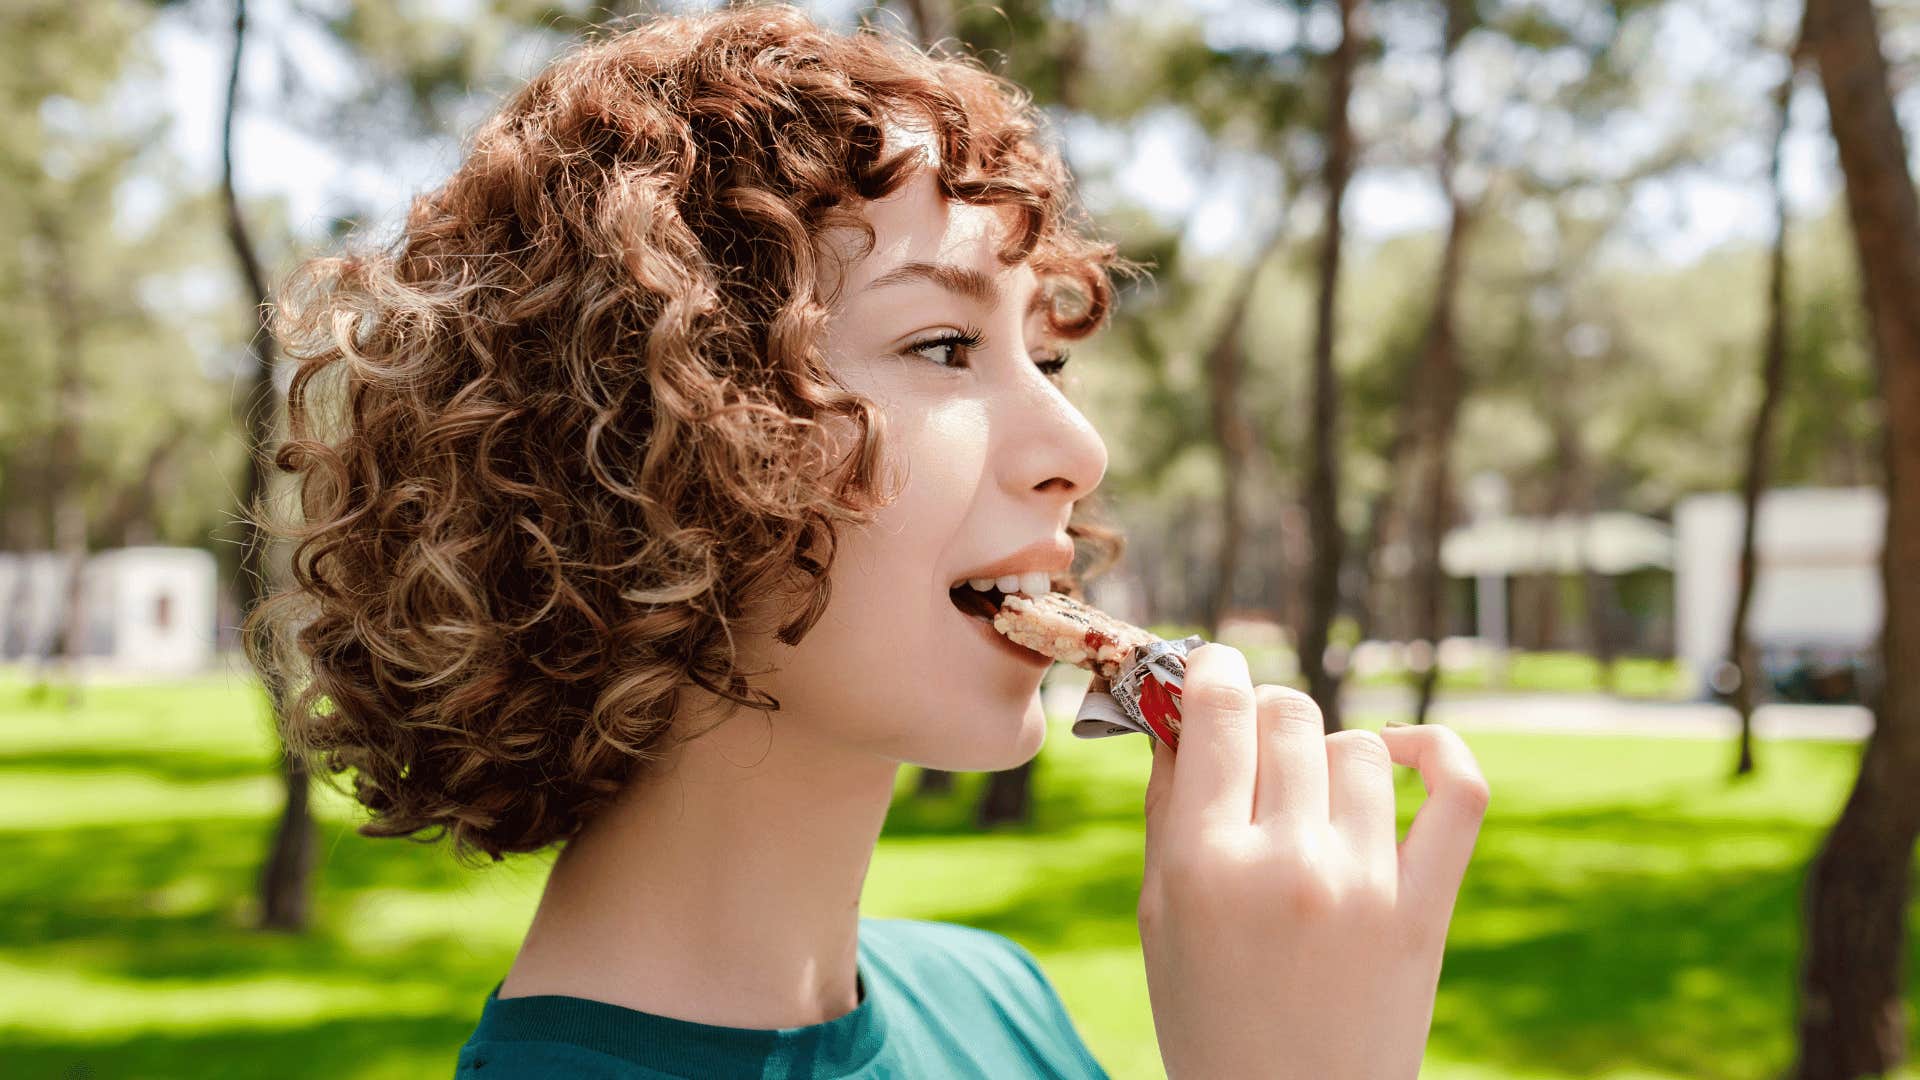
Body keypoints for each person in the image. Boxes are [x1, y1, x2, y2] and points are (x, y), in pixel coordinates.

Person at [249, 5, 1491, 1078]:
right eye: (944, 347)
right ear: (643, 446)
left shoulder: (997, 997)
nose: (1080, 446)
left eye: (1043, 355)